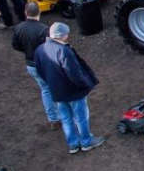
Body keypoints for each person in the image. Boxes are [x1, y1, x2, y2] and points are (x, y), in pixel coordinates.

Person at [34, 22, 104, 154]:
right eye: (67, 34)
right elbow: (74, 73)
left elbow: (40, 71)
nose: (68, 36)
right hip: (73, 92)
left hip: (57, 92)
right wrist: (85, 84)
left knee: (66, 119)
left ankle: (73, 144)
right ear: (62, 35)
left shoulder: (40, 50)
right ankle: (86, 142)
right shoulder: (64, 51)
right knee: (81, 117)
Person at [11, 1, 59, 129]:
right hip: (45, 64)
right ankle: (65, 117)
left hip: (31, 65)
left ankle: (53, 119)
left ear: (25, 12)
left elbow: (15, 45)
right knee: (56, 88)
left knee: (45, 90)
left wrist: (27, 51)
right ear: (39, 12)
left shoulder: (18, 28)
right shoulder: (44, 30)